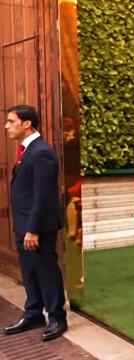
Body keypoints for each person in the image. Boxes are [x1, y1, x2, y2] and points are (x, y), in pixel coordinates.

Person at [3, 105, 67, 341]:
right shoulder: (27, 151)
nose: (6, 126)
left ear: (27, 124)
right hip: (24, 226)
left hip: (36, 228)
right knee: (30, 272)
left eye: (11, 121)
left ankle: (57, 317)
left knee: (46, 271)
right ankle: (33, 314)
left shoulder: (42, 152)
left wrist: (33, 229)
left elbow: (44, 195)